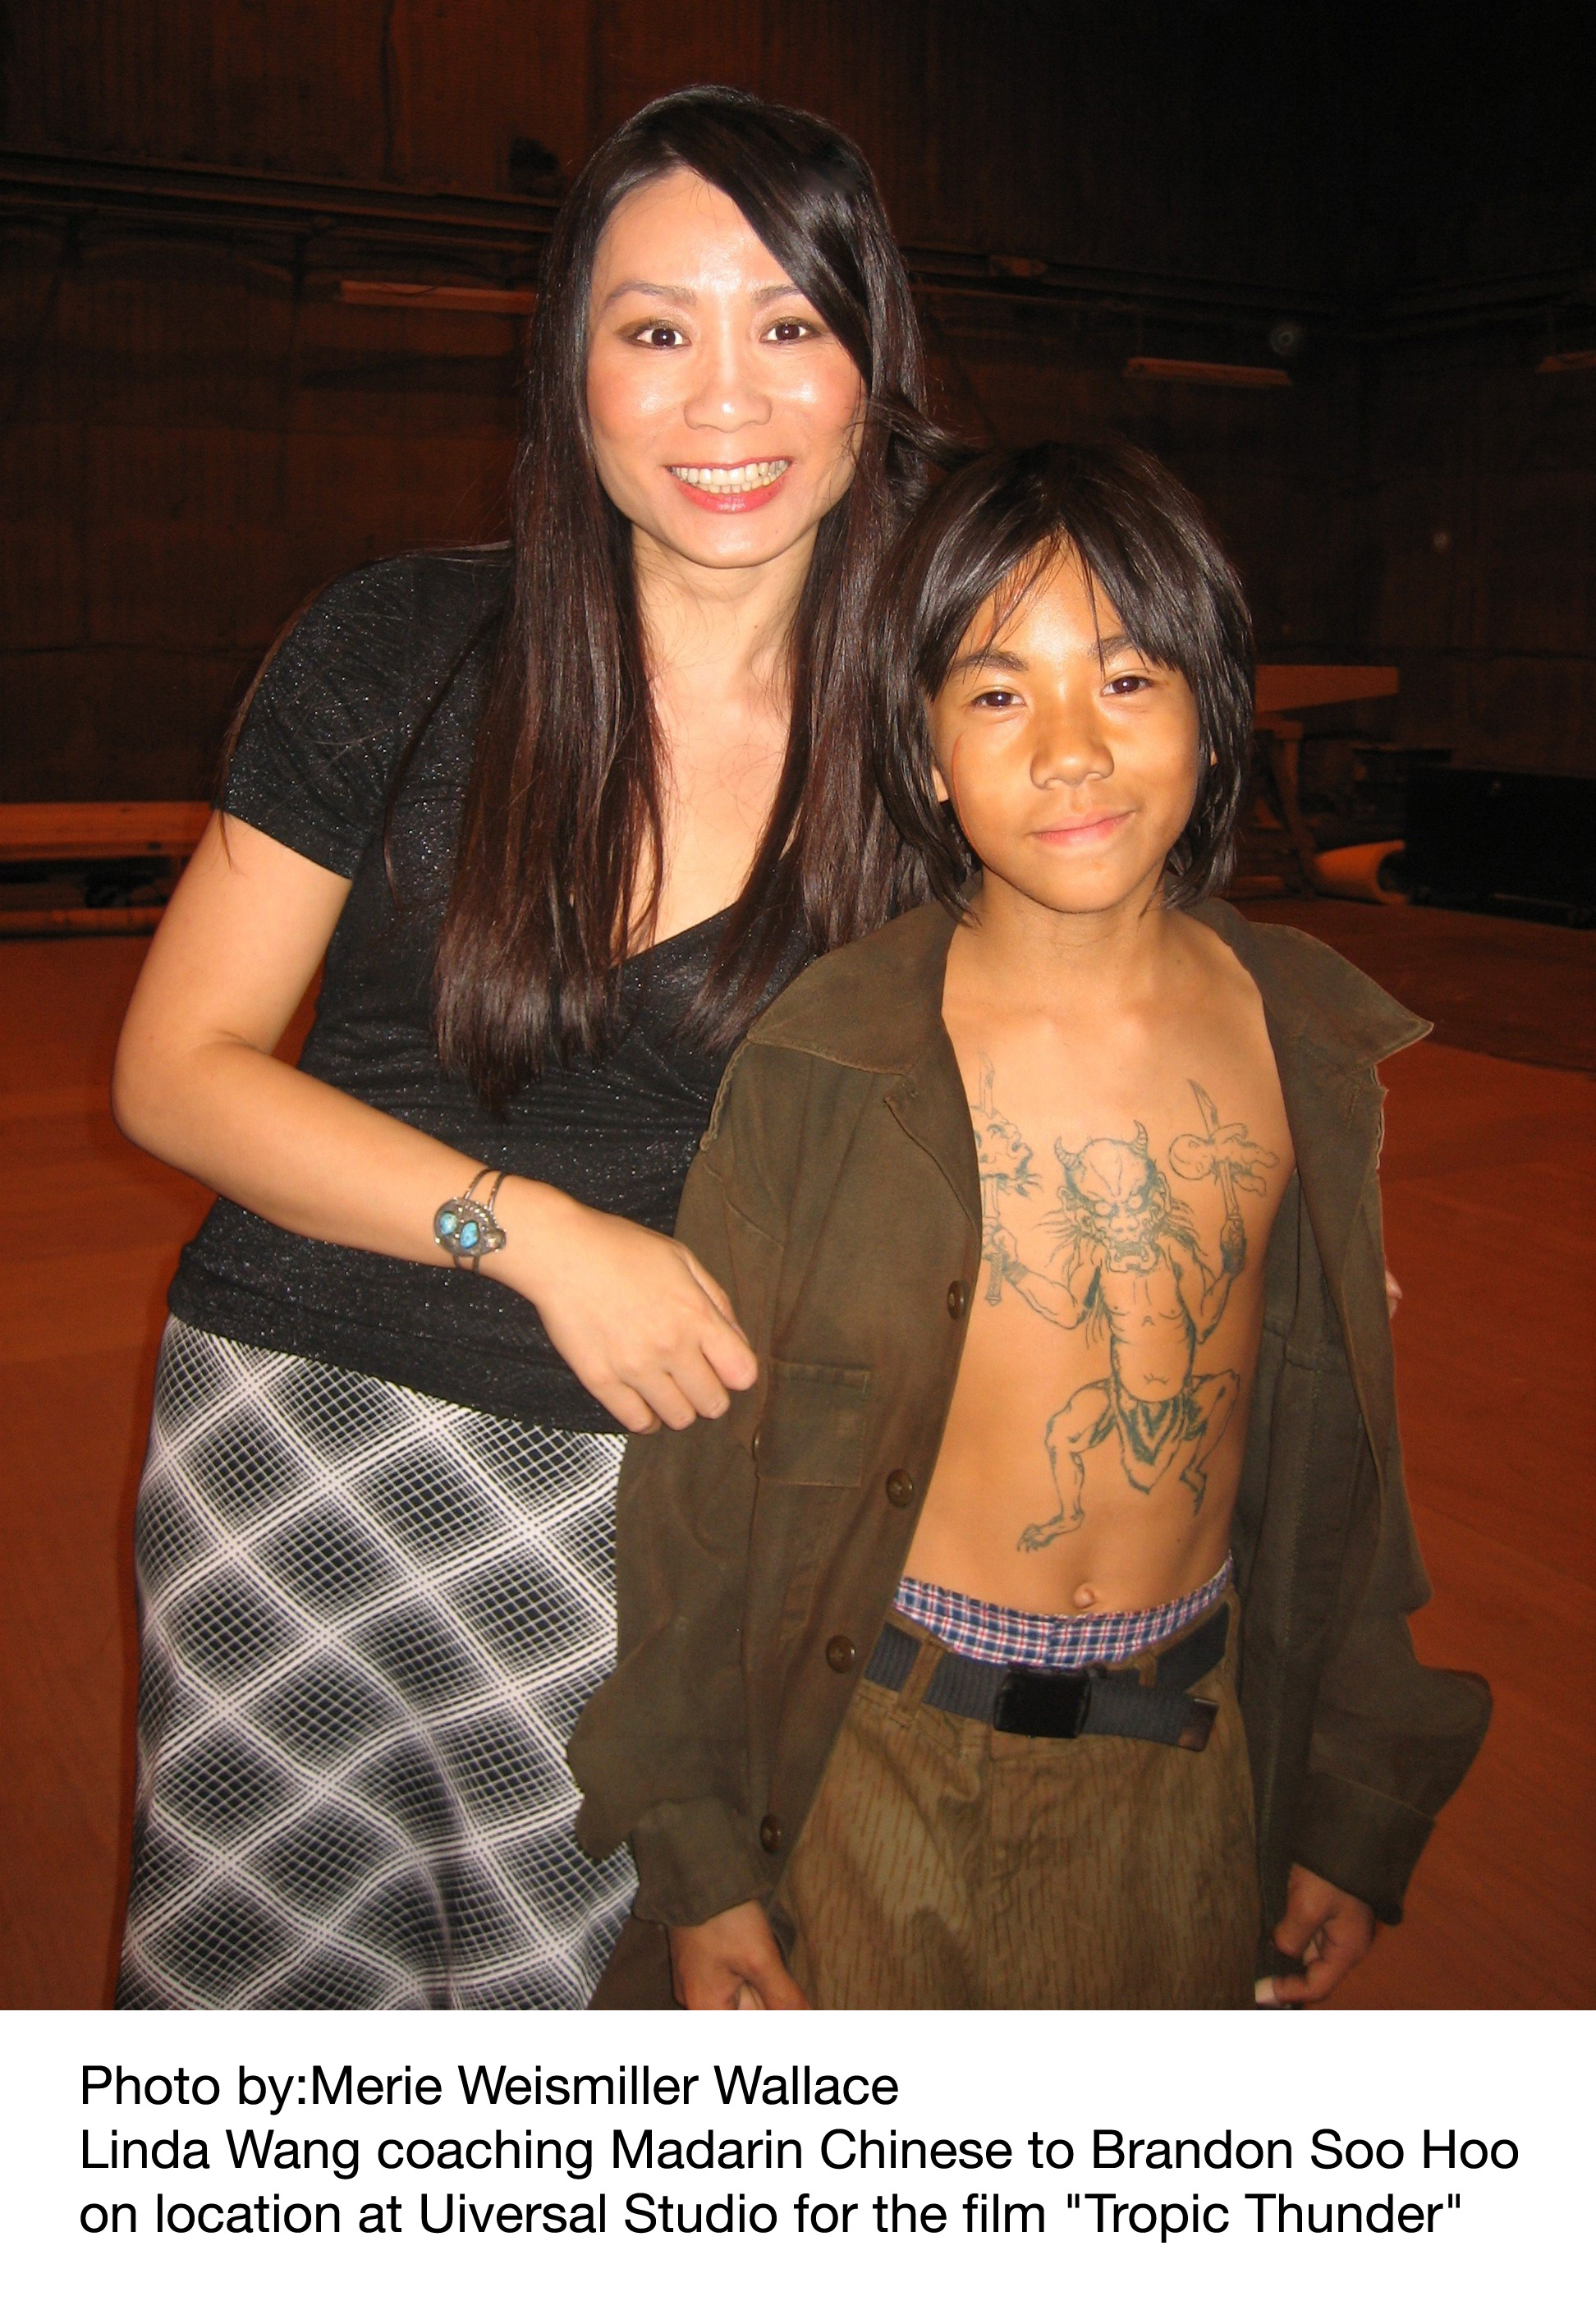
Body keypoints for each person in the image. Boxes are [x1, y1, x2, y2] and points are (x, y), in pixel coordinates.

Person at [110, 87, 942, 2009]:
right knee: (256, 2006)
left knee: (556, 2039)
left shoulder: (937, 729)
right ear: (572, 367)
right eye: (655, 330)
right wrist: (543, 1234)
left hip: (650, 1495)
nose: (722, 399)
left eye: (788, 325)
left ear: (869, 366)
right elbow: (180, 1067)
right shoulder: (400, 643)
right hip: (292, 1435)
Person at [569, 441, 1491, 2011]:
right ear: (922, 750)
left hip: (1182, 1783)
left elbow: (1347, 1466)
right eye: (997, 694)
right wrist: (703, 1858)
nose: (1069, 747)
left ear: (1216, 710)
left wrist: (1352, 1793)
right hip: (876, 1772)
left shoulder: (1308, 1045)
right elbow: (698, 1489)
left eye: (1127, 679)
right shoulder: (826, 1056)